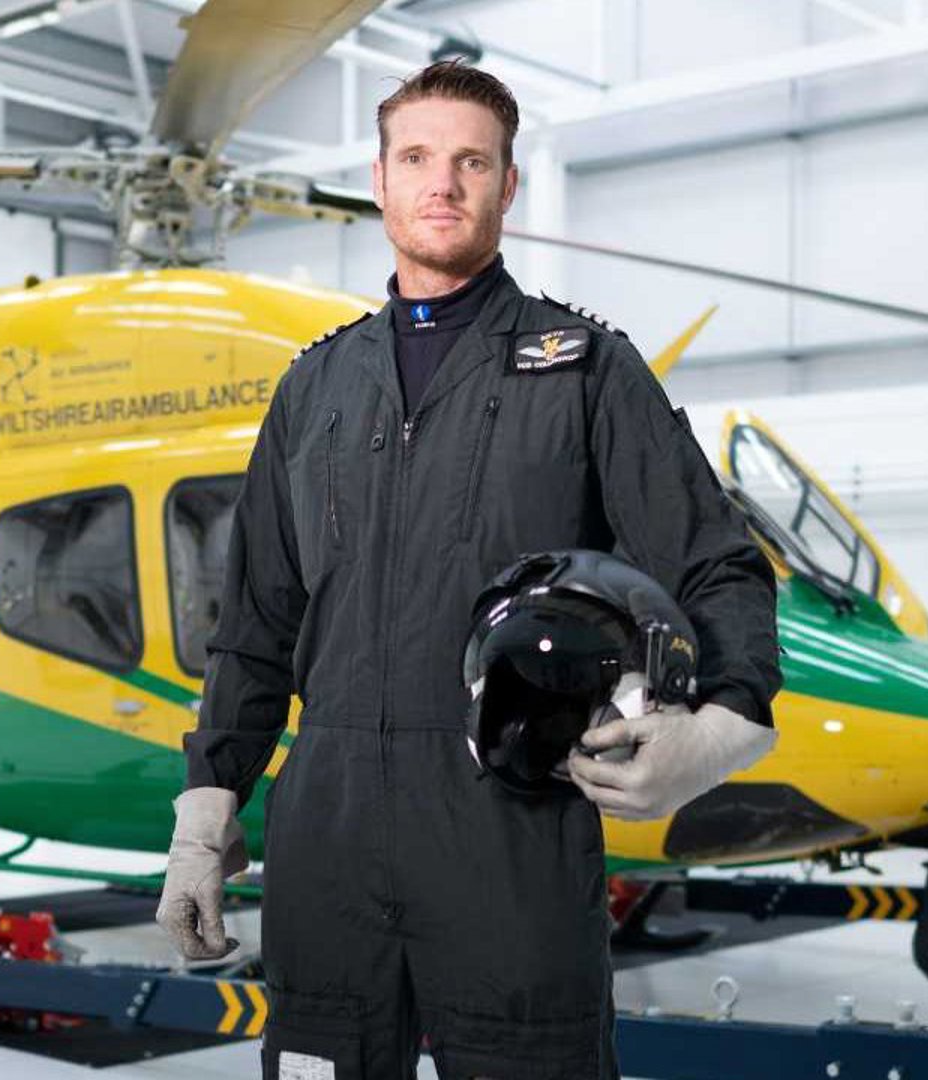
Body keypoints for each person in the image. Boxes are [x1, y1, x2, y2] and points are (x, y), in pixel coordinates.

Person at [156, 60, 783, 1080]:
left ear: (507, 185)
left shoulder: (583, 369)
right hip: (330, 840)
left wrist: (722, 726)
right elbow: (258, 625)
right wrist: (207, 807)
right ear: (380, 180)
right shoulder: (314, 387)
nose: (441, 183)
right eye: (416, 158)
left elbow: (717, 564)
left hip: (511, 836)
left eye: (469, 162)